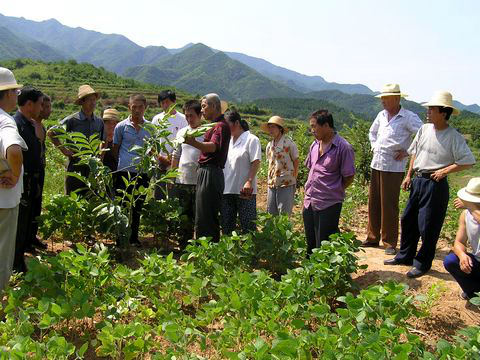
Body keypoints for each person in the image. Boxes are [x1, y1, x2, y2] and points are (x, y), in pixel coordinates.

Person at [385, 91, 476, 278]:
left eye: (432, 109)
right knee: (408, 219)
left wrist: (445, 171)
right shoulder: (424, 129)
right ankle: (405, 256)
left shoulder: (453, 136)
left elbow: (467, 161)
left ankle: (422, 263)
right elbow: (415, 153)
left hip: (435, 183)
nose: (428, 112)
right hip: (418, 180)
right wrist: (408, 175)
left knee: (428, 225)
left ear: (444, 113)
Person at [361, 84, 423, 255]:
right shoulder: (381, 115)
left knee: (389, 204)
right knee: (374, 202)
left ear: (397, 99)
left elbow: (423, 136)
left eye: (386, 98)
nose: (382, 101)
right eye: (382, 98)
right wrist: (374, 146)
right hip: (377, 163)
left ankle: (389, 242)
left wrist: (407, 151)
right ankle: (372, 237)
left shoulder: (408, 117)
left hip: (394, 167)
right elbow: (372, 132)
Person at [303, 110, 355, 254]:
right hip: (310, 201)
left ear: (326, 125)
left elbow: (349, 176)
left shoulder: (343, 148)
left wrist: (334, 190)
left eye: (314, 127)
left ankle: (325, 275)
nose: (312, 131)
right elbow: (311, 170)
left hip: (329, 203)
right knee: (311, 244)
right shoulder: (314, 146)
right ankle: (310, 275)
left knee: (324, 246)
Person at [184, 93, 231, 242]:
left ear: (214, 106)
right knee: (203, 214)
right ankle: (205, 250)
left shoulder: (220, 126)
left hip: (211, 172)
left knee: (206, 215)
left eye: (204, 106)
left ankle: (208, 252)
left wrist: (192, 142)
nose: (202, 110)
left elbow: (212, 147)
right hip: (206, 172)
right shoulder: (214, 126)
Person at [47, 85, 104, 195]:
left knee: (91, 196)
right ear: (82, 102)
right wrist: (64, 150)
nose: (93, 103)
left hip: (92, 166)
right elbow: (51, 132)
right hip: (75, 164)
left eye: (94, 100)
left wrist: (100, 156)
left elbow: (102, 141)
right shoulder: (72, 120)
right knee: (73, 195)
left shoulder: (98, 122)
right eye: (89, 100)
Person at [0, 67, 27, 288]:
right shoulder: (5, 121)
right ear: (8, 93)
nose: (16, 96)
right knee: (2, 255)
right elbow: (14, 150)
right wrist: (15, 174)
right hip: (4, 202)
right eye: (15, 92)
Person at [13, 87, 45, 273]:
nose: (42, 108)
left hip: (32, 179)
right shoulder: (16, 124)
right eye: (40, 104)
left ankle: (19, 258)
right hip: (21, 180)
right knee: (19, 223)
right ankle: (16, 264)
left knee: (26, 221)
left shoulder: (30, 123)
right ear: (30, 104)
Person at [113, 94, 151, 245]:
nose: (137, 110)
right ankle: (120, 237)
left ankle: (134, 237)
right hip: (124, 171)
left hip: (142, 173)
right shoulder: (121, 126)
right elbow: (116, 149)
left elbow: (152, 149)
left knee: (137, 205)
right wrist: (124, 162)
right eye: (133, 107)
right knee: (122, 205)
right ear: (129, 107)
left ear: (145, 108)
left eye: (140, 107)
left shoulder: (150, 128)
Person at [221, 110, 261, 235]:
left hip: (245, 190)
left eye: (227, 125)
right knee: (227, 224)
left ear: (237, 123)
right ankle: (228, 253)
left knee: (248, 225)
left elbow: (255, 161)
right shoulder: (228, 141)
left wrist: (249, 181)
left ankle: (250, 253)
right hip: (227, 189)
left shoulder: (251, 139)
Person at [170, 100, 203, 248]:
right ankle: (184, 245)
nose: (189, 119)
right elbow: (176, 156)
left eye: (192, 116)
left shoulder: (205, 133)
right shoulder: (182, 132)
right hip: (182, 180)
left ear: (200, 115)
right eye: (187, 116)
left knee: (199, 216)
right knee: (183, 215)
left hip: (199, 182)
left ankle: (199, 248)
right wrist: (171, 176)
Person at [443, 178, 480, 300]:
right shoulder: (466, 214)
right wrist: (462, 255)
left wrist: (470, 206)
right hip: (478, 261)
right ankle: (474, 292)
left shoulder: (470, 210)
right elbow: (459, 242)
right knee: (451, 260)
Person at [152, 90, 187, 200]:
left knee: (173, 196)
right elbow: (152, 141)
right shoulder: (156, 119)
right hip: (159, 163)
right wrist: (160, 158)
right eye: (162, 103)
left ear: (174, 102)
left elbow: (183, 142)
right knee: (159, 195)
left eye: (167, 102)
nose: (165, 105)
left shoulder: (182, 119)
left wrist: (170, 160)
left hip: (176, 164)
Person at [262, 115, 299, 216]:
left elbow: (296, 160)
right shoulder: (269, 146)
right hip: (272, 183)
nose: (270, 129)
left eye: (273, 127)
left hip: (286, 182)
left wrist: (294, 177)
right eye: (269, 127)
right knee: (271, 213)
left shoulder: (289, 144)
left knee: (284, 214)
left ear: (280, 129)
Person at [30, 95, 51, 251]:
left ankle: (32, 236)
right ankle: (25, 241)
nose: (48, 110)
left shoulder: (41, 126)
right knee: (29, 206)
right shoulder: (29, 126)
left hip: (40, 170)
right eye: (46, 107)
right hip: (30, 172)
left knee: (37, 205)